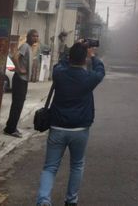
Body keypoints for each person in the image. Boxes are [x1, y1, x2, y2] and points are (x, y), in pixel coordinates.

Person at [36, 40, 105, 206]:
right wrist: (92, 55)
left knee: (50, 167)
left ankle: (44, 201)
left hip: (58, 126)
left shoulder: (59, 73)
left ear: (70, 57)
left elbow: (60, 63)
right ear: (85, 59)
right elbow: (100, 71)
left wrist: (74, 49)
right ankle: (71, 200)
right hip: (80, 129)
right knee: (77, 165)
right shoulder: (90, 78)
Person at [4, 29, 38, 138]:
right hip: (19, 79)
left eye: (37, 36)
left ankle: (11, 127)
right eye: (33, 36)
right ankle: (10, 129)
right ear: (28, 37)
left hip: (23, 80)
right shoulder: (25, 46)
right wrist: (19, 69)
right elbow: (14, 57)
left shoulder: (29, 48)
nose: (36, 38)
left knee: (19, 105)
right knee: (17, 105)